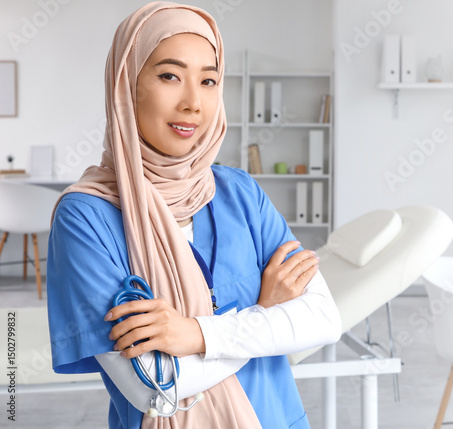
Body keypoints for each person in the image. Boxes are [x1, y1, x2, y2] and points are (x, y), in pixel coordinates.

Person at [45, 2, 341, 428]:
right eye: (170, 76)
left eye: (208, 80)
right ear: (126, 85)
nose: (193, 103)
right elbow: (154, 389)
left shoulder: (241, 193)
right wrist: (266, 313)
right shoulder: (85, 218)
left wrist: (196, 334)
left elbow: (324, 319)